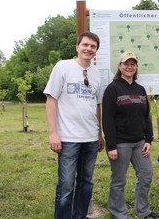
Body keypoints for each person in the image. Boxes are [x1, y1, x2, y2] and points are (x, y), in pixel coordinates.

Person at [44, 31, 105, 219]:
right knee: (66, 185)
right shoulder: (63, 67)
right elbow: (51, 99)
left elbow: (97, 106)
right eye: (85, 45)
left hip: (90, 138)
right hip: (68, 138)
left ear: (96, 51)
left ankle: (79, 216)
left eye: (92, 46)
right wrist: (53, 133)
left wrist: (99, 134)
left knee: (86, 182)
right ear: (77, 47)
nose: (88, 49)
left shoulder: (96, 75)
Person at [102, 51, 159, 219]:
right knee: (119, 180)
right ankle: (118, 213)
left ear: (136, 67)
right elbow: (107, 119)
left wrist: (148, 139)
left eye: (132, 64)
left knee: (146, 175)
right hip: (121, 144)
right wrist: (111, 145)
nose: (129, 67)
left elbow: (146, 115)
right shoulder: (112, 89)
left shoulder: (140, 89)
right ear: (119, 66)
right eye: (126, 63)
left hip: (139, 142)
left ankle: (143, 211)